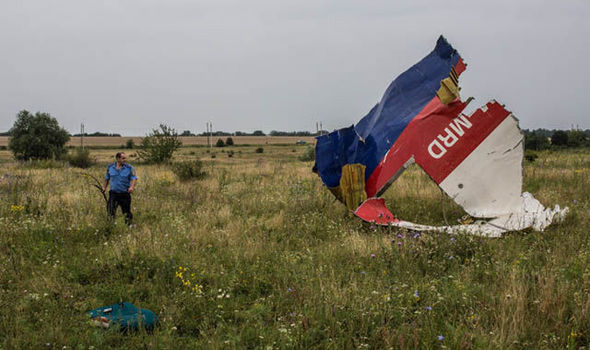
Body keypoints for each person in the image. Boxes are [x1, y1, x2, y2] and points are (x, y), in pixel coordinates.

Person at [102, 152, 137, 225]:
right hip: (113, 194)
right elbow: (106, 178)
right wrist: (104, 187)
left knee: (126, 212)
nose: (125, 160)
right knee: (110, 210)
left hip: (124, 193)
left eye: (125, 158)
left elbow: (133, 178)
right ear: (117, 159)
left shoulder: (129, 168)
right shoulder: (110, 167)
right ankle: (110, 225)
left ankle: (129, 226)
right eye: (123, 158)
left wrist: (131, 187)